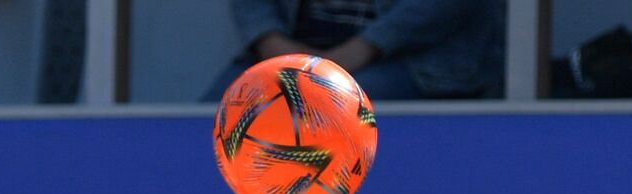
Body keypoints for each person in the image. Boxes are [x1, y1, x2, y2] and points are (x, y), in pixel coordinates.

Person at [203, 0, 505, 102]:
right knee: (202, 121)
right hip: (289, 50)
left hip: (410, 59)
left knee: (315, 110)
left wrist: (363, 49)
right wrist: (271, 42)